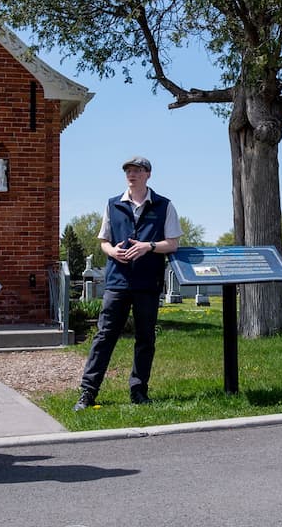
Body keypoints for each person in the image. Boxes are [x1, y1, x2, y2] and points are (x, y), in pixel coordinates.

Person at [73, 156, 181, 410]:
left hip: (147, 283)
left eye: (137, 170)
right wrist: (112, 252)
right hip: (117, 282)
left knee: (145, 339)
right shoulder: (112, 205)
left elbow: (173, 243)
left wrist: (149, 246)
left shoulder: (164, 206)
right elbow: (104, 241)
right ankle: (88, 392)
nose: (131, 174)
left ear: (148, 174)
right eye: (128, 171)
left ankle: (139, 390)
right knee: (104, 336)